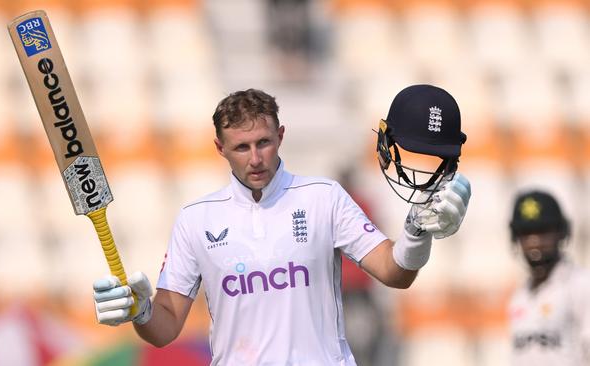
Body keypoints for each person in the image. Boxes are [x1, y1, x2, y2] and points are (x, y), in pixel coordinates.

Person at [92, 87, 471, 365]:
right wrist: (140, 312)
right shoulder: (196, 219)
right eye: (242, 147)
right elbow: (165, 328)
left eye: (264, 142)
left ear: (281, 136)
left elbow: (395, 272)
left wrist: (417, 232)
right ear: (219, 148)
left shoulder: (323, 197)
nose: (256, 159)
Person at [508, 190, 590, 365]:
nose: (534, 242)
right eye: (526, 232)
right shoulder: (520, 296)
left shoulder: (582, 285)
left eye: (543, 231)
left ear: (562, 232)